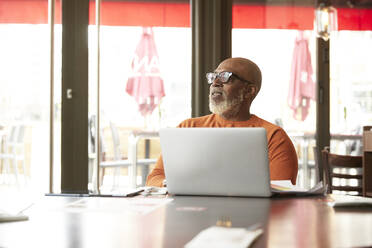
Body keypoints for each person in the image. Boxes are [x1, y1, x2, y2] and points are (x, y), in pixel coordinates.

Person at [146, 57, 298, 186]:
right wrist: (176, 185)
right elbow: (155, 178)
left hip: (252, 218)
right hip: (193, 216)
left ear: (249, 91)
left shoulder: (274, 137)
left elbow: (280, 191)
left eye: (225, 77)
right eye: (213, 77)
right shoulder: (188, 128)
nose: (215, 83)